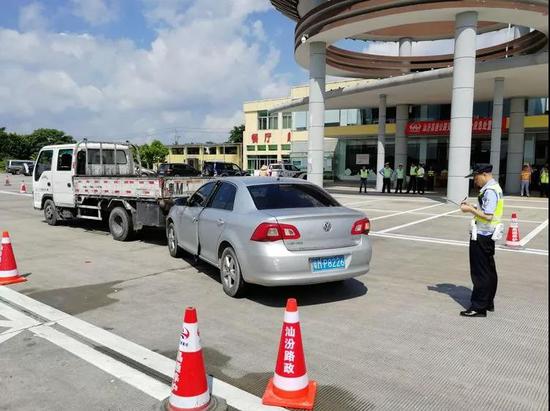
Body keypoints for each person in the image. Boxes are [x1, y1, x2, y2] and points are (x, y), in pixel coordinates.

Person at [459, 163, 504, 317]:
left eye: (475, 177)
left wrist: (470, 209)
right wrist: (473, 205)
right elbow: (486, 210)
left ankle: (478, 307)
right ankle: (488, 302)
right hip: (488, 235)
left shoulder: (490, 191)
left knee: (480, 273)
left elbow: (488, 216)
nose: (474, 181)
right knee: (489, 270)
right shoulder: (494, 188)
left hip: (483, 236)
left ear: (484, 174)